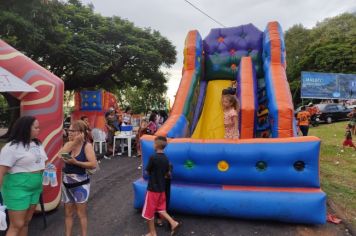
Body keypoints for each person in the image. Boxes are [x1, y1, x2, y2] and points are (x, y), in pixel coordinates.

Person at [0, 116, 48, 236]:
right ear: (25, 128)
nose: (39, 130)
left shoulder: (37, 144)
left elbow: (43, 162)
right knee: (17, 225)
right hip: (17, 189)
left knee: (26, 222)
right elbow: (1, 172)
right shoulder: (11, 147)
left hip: (35, 188)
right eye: (36, 127)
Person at [59, 120, 97, 236]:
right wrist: (74, 143)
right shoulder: (68, 144)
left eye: (72, 131)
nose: (69, 132)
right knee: (68, 213)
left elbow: (93, 164)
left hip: (81, 184)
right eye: (68, 130)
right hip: (66, 183)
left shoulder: (87, 146)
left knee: (81, 214)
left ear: (81, 132)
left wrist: (76, 162)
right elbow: (60, 155)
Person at [142, 136, 180, 236]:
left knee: (149, 213)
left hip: (153, 189)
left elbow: (147, 171)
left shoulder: (153, 157)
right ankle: (173, 223)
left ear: (156, 145)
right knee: (161, 209)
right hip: (162, 189)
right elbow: (167, 174)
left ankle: (152, 233)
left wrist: (150, 171)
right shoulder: (166, 159)